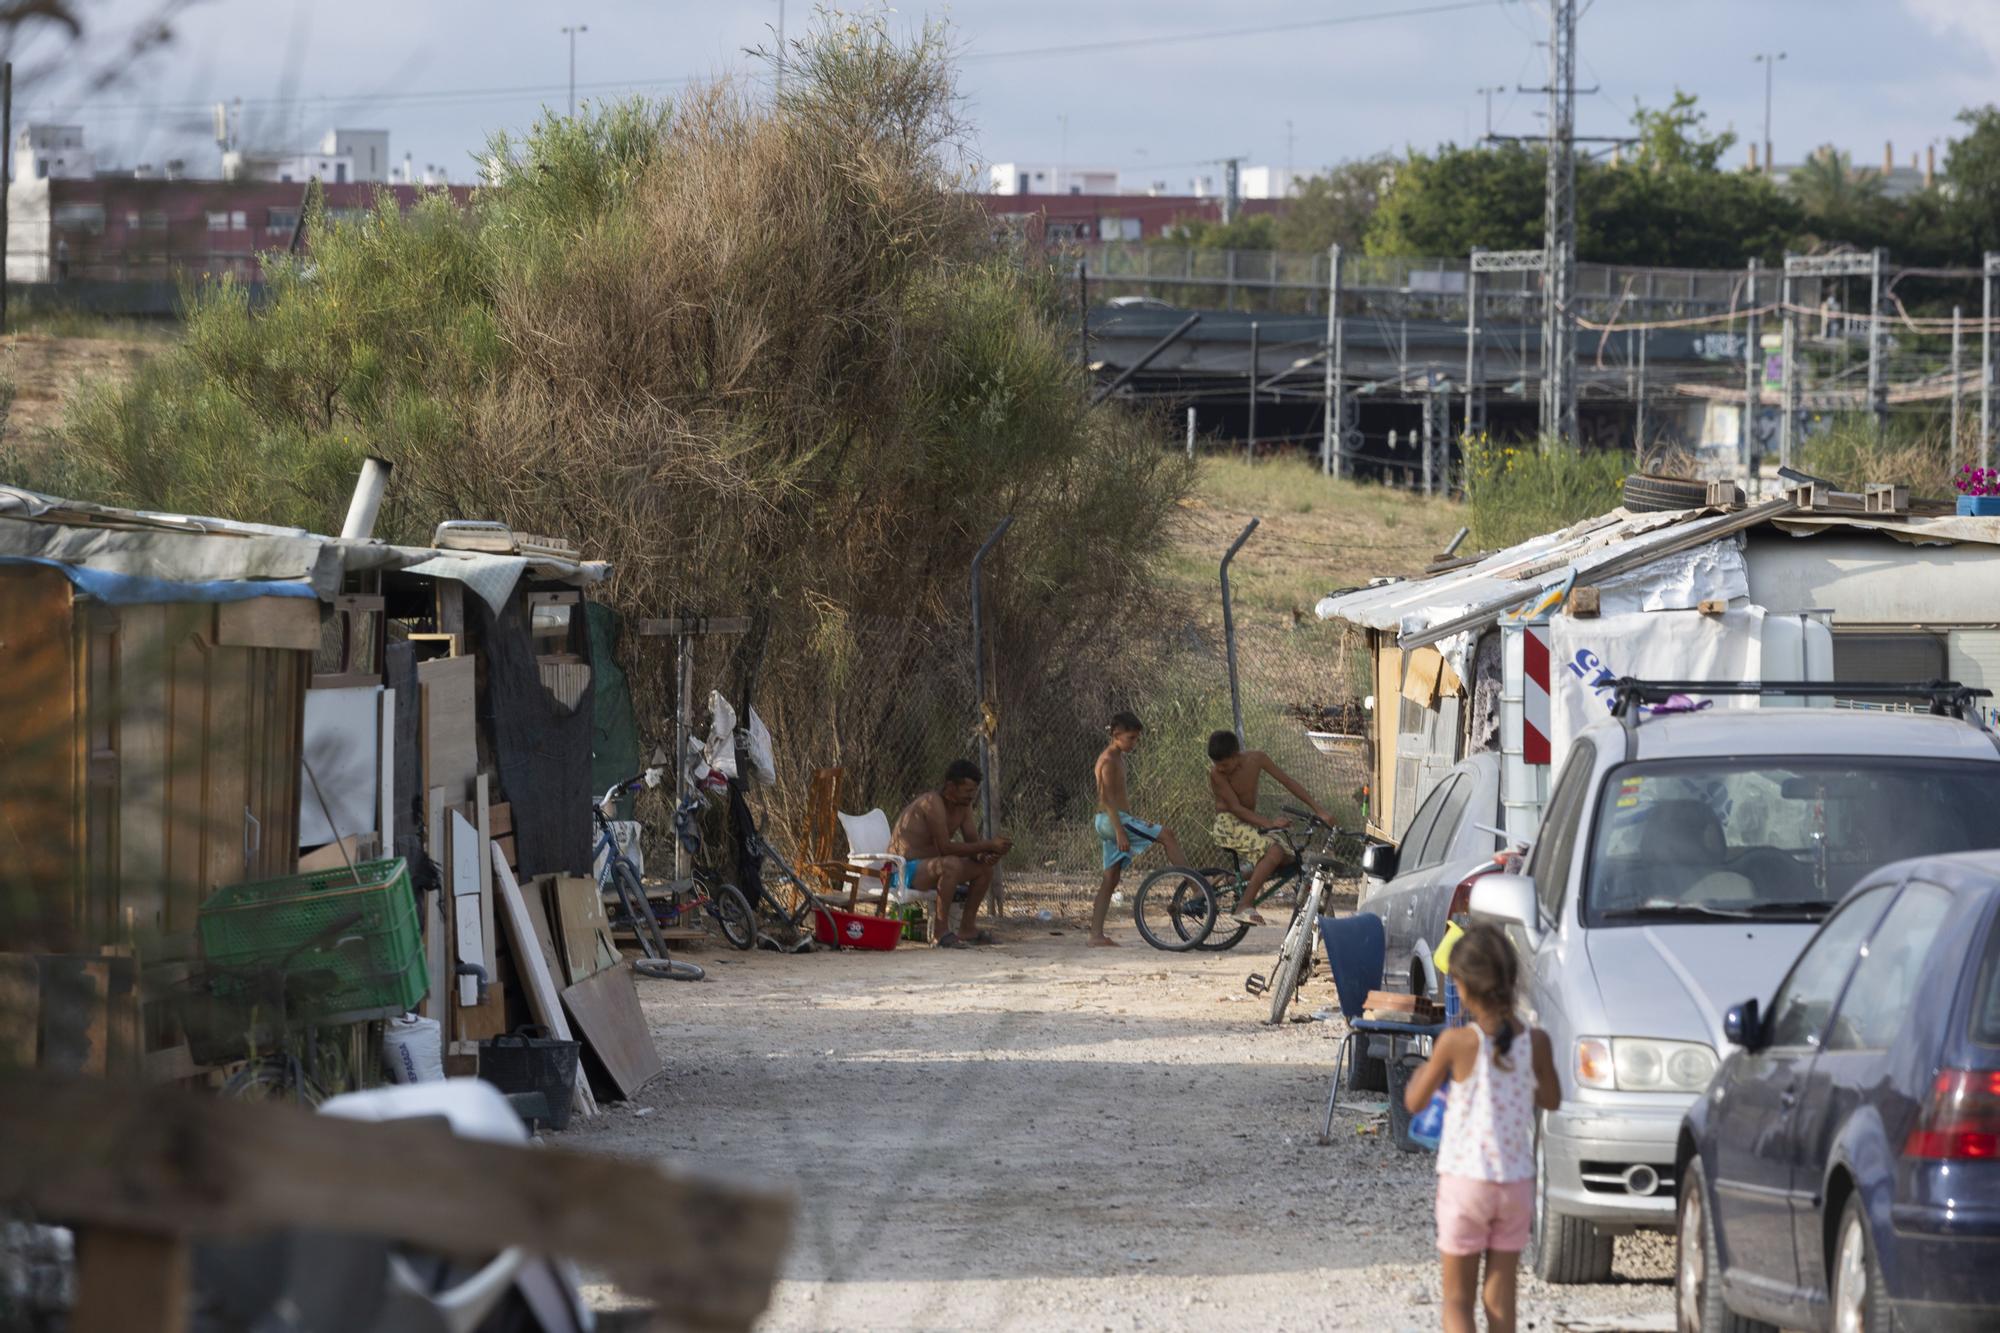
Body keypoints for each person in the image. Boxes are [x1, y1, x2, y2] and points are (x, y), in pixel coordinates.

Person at [1403, 924, 1561, 1333]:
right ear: (1511, 981)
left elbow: (1413, 1102)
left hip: (1466, 1184)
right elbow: (1552, 1099)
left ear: (1463, 986)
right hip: (1514, 1186)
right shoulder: (1537, 1042)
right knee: (1500, 1301)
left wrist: (1431, 1075)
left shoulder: (1457, 1043)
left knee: (1457, 1302)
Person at [1205, 730, 1334, 926]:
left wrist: (1319, 810)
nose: (1220, 769)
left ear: (1236, 755)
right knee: (1274, 851)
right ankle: (1244, 905)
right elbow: (1235, 808)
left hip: (1248, 823)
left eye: (1224, 765)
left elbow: (1288, 782)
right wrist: (1269, 824)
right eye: (1217, 765)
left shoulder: (1257, 759)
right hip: (1228, 824)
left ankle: (1232, 880)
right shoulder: (1216, 774)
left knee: (1289, 858)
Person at [888, 759, 1012, 949]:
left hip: (928, 868)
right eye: (967, 791)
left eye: (974, 791)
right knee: (951, 864)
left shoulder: (964, 807)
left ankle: (967, 929)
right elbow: (945, 848)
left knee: (985, 869)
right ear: (950, 786)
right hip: (901, 872)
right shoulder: (932, 803)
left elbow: (972, 843)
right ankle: (940, 933)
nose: (971, 796)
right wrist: (988, 844)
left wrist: (985, 856)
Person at [1090, 711, 1185, 948]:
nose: (1134, 742)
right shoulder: (1109, 760)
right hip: (1112, 820)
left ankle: (1095, 935)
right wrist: (1121, 831)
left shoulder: (1118, 757)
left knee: (1110, 878)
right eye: (1131, 737)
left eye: (1136, 738)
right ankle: (1195, 887)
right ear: (1116, 734)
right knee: (1167, 835)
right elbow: (1106, 798)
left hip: (1113, 820)